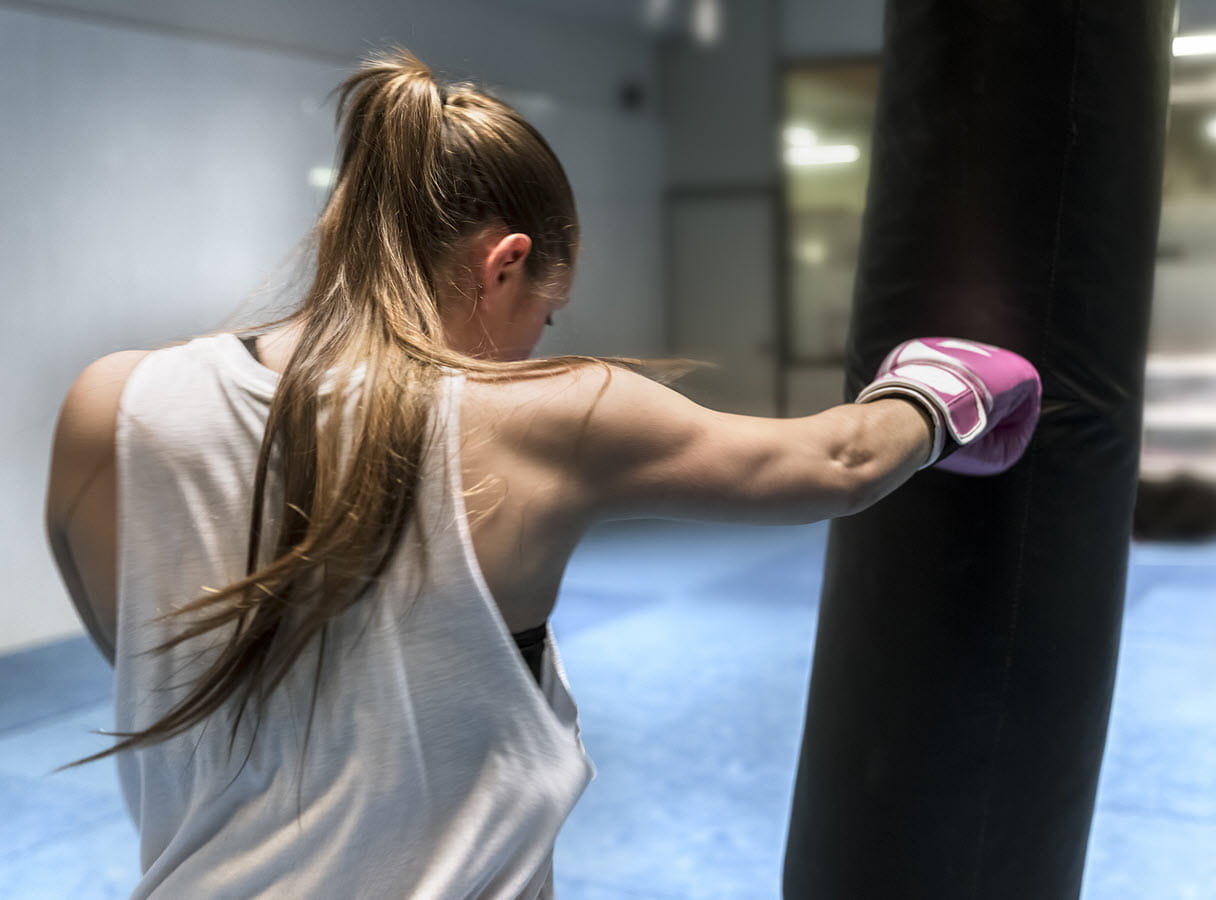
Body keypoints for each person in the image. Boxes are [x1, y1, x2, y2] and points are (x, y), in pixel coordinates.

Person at [43, 49, 1039, 899]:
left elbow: (143, 647)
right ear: (504, 264)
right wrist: (947, 386)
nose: (531, 349)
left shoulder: (112, 401)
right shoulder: (544, 411)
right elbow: (836, 460)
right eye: (542, 316)